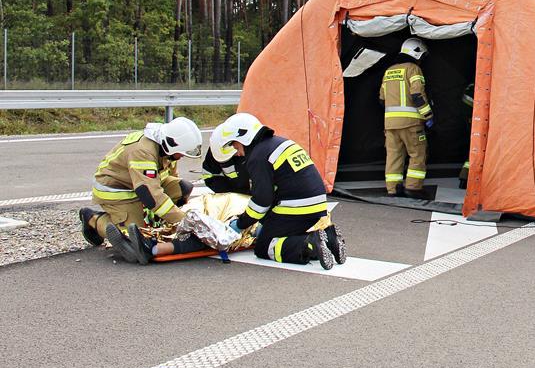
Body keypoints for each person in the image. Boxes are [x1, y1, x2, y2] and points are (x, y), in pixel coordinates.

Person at [211, 112, 343, 270]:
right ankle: (329, 238)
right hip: (317, 205)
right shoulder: (279, 143)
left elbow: (262, 200)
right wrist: (264, 223)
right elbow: (277, 190)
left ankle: (309, 244)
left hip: (297, 208)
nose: (236, 151)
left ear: (243, 138)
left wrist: (240, 224)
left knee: (264, 246)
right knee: (278, 234)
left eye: (235, 145)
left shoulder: (257, 157)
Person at [79, 117, 202, 263]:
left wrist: (177, 217)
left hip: (142, 184)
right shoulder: (143, 151)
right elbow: (150, 196)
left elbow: (170, 176)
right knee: (135, 237)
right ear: (171, 143)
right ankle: (93, 219)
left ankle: (162, 227)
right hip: (117, 191)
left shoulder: (165, 147)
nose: (181, 157)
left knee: (182, 188)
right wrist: (183, 220)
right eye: (181, 153)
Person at [380, 38, 433, 198]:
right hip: (411, 124)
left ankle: (393, 189)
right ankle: (413, 188)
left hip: (390, 124)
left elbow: (382, 99)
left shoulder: (389, 71)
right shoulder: (413, 69)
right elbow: (417, 95)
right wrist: (428, 115)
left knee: (393, 156)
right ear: (416, 53)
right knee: (418, 154)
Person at [199, 123, 252, 195]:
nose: (239, 155)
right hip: (231, 195)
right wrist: (230, 195)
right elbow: (209, 175)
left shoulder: (256, 151)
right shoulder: (217, 148)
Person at [458, 83, 474, 189]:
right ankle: (467, 177)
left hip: (470, 120)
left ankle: (465, 176)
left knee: (473, 148)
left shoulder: (471, 86)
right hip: (476, 120)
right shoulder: (478, 86)